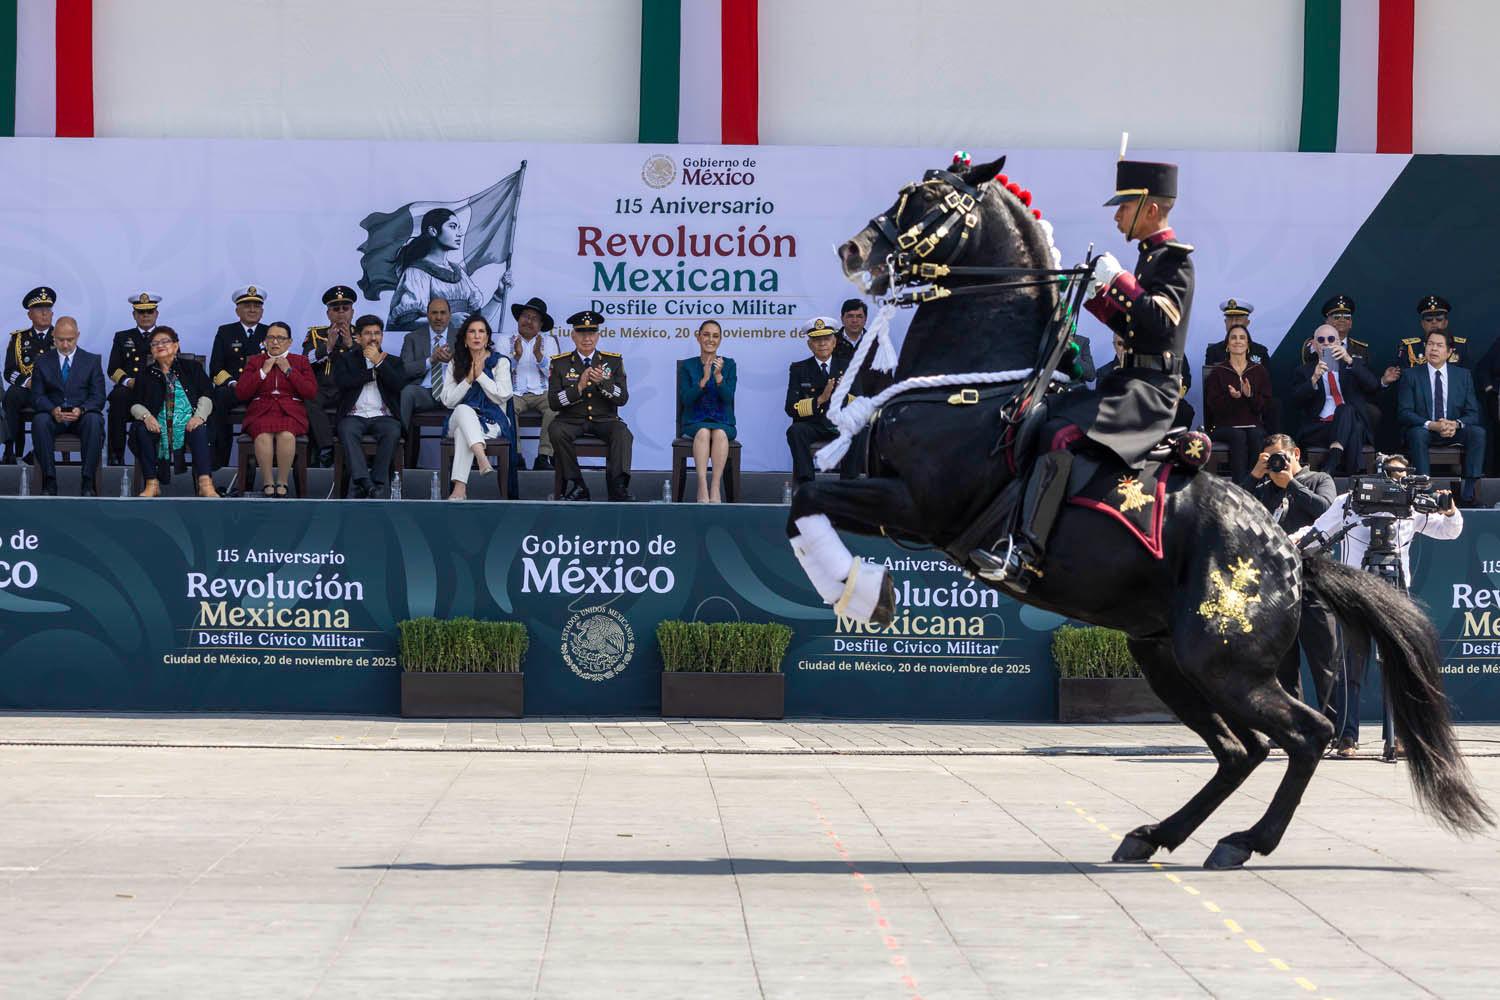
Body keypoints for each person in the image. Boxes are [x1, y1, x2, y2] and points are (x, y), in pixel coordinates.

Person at [975, 158, 1194, 590]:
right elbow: (1131, 326)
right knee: (1035, 416)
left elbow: (1159, 327)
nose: (1116, 216)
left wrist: (1122, 284)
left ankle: (1028, 555)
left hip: (1149, 393)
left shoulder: (1174, 263)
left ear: (1150, 208)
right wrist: (1101, 292)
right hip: (1126, 384)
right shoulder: (1152, 260)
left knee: (1061, 436)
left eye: (1124, 207)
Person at [1299, 454, 1462, 757]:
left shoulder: (1411, 504)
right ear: (1375, 474)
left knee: (1396, 667)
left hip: (1395, 592)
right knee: (1351, 666)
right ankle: (1347, 738)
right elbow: (1318, 532)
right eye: (1389, 474)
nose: (1394, 481)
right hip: (1355, 592)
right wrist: (1292, 545)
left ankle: (1398, 737)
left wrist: (1450, 510)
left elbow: (1449, 531)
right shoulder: (1350, 502)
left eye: (1400, 475)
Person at [1242, 434, 1338, 701]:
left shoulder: (1319, 480)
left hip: (1314, 577)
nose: (1276, 464)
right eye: (1269, 458)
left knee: (1325, 659)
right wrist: (1255, 474)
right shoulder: (1263, 489)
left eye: (1280, 457)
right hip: (1275, 582)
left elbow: (1326, 512)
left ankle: (1340, 732)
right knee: (1282, 664)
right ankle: (1293, 730)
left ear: (1295, 453)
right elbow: (1234, 508)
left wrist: (1291, 484)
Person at [548, 310, 634, 502]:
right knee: (555, 429)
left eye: (591, 333)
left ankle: (618, 487)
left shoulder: (612, 361)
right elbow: (553, 403)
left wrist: (604, 383)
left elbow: (622, 398)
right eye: (581, 333)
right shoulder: (560, 363)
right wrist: (577, 387)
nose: (587, 338)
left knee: (623, 433)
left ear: (598, 335)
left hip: (604, 419)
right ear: (573, 335)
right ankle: (578, 484)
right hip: (572, 420)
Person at [1397, 328, 1485, 505]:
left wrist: (1456, 424)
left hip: (1453, 430)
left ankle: (1468, 491)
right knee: (1417, 433)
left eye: (1439, 345)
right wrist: (1431, 425)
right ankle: (1425, 491)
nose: (1433, 349)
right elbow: (1404, 413)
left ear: (1450, 351)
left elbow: (1473, 413)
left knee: (1478, 433)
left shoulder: (1463, 375)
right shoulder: (1411, 375)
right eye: (1430, 344)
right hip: (1426, 430)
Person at [386, 208, 508, 334]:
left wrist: (498, 295)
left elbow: (477, 324)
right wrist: (446, 321)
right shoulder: (416, 273)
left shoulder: (458, 272)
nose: (459, 233)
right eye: (453, 226)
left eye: (458, 227)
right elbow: (405, 325)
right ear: (433, 231)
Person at [129, 326, 216, 498]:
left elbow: (208, 394)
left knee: (200, 429)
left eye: (165, 342)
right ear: (151, 350)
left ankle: (205, 484)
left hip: (189, 422)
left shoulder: (192, 368)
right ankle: (151, 484)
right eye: (154, 344)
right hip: (158, 424)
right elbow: (135, 404)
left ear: (176, 346)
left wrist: (198, 416)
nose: (159, 346)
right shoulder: (145, 374)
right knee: (141, 430)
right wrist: (147, 417)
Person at [234, 321, 318, 497]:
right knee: (263, 434)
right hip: (261, 410)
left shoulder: (300, 361)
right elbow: (241, 393)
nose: (275, 342)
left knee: (286, 435)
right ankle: (267, 482)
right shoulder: (256, 361)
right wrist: (262, 372)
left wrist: (289, 371)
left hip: (291, 411)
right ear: (264, 341)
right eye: (271, 338)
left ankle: (282, 481)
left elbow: (310, 392)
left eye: (280, 338)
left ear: (289, 342)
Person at [438, 315, 514, 501]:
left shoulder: (500, 362)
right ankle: (481, 457)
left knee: (463, 432)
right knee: (464, 410)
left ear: (487, 338)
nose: (477, 336)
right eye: (472, 332)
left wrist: (481, 376)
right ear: (465, 338)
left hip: (492, 423)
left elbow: (503, 395)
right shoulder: (455, 363)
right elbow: (447, 401)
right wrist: (468, 380)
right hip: (457, 420)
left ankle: (459, 489)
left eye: (481, 332)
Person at [30, 317, 105, 496]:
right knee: (39, 421)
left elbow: (99, 397)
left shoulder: (91, 361)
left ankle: (88, 482)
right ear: (53, 337)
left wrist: (82, 410)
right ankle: (49, 481)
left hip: (81, 417)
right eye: (60, 340)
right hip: (53, 416)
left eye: (69, 340)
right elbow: (37, 396)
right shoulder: (42, 361)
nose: (65, 345)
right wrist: (51, 410)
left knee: (94, 420)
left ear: (77, 336)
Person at [334, 315, 406, 499]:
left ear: (382, 336)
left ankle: (378, 483)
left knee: (392, 430)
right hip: (354, 415)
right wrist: (369, 373)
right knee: (346, 430)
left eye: (377, 333)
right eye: (367, 333)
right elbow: (342, 383)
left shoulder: (393, 361)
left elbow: (398, 384)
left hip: (383, 416)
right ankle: (364, 482)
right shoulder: (346, 359)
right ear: (358, 337)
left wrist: (379, 363)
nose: (373, 338)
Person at [1292, 323, 1378, 476]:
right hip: (1320, 428)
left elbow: (1373, 386)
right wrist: (1314, 379)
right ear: (1314, 344)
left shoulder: (1352, 366)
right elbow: (1296, 401)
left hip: (1348, 421)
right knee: (1354, 427)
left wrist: (1349, 360)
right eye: (1321, 339)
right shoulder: (1304, 370)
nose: (1326, 343)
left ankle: (1331, 464)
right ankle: (1351, 479)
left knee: (1346, 410)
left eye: (1331, 339)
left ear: (1339, 343)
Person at [208, 285, 270, 468]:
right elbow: (216, 368)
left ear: (262, 310)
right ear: (237, 310)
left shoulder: (271, 332)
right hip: (233, 389)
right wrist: (233, 383)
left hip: (260, 388)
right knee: (218, 398)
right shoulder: (225, 332)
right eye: (247, 306)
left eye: (256, 306)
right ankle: (219, 464)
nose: (252, 310)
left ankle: (264, 467)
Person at [677, 319, 737, 503]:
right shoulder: (687, 366)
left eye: (715, 336)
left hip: (723, 423)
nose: (710, 339)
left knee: (719, 434)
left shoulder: (729, 364)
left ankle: (715, 486)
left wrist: (718, 377)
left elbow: (728, 398)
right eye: (706, 334)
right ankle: (702, 485)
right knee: (703, 432)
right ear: (698, 337)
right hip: (694, 422)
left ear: (720, 340)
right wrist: (703, 380)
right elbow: (686, 400)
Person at [785, 318, 848, 486]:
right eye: (817, 340)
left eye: (826, 339)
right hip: (814, 424)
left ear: (834, 342)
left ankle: (850, 484)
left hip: (841, 423)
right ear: (810, 345)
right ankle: (807, 484)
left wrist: (841, 394)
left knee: (860, 431)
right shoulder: (799, 369)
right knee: (795, 431)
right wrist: (820, 399)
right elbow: (791, 408)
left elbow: (860, 399)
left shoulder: (848, 366)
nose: (822, 344)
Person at [1203, 325, 1271, 482]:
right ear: (1227, 345)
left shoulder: (1259, 371)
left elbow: (1266, 406)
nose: (1237, 341)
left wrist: (1249, 395)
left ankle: (1256, 486)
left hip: (1254, 426)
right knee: (1238, 435)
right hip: (1225, 427)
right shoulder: (1218, 371)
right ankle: (1240, 487)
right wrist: (1231, 398)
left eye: (1242, 338)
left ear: (1248, 345)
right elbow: (1213, 408)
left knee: (1255, 435)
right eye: (1233, 337)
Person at [301, 285, 358, 467]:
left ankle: (346, 455)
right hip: (323, 388)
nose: (341, 313)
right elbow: (305, 361)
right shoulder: (316, 334)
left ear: (352, 311)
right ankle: (327, 448)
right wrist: (327, 347)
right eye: (336, 309)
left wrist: (350, 344)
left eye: (345, 309)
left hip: (349, 389)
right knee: (309, 397)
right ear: (328, 314)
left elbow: (368, 363)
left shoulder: (362, 333)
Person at [506, 295, 563, 470]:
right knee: (507, 405)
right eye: (526, 316)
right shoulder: (504, 340)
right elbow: (500, 373)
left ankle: (544, 456)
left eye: (535, 319)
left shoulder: (550, 342)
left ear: (540, 325)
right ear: (519, 319)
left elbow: (555, 375)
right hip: (515, 393)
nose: (529, 321)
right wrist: (515, 357)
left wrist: (539, 356)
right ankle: (516, 456)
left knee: (556, 405)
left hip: (542, 392)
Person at [3, 285, 57, 463]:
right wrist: (27, 382)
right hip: (28, 390)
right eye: (39, 309)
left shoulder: (62, 336)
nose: (44, 313)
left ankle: (37, 452)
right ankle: (11, 449)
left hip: (53, 390)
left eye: (48, 309)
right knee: (11, 395)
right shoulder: (19, 339)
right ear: (30, 314)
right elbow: (9, 371)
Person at [397, 297, 455, 464]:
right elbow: (405, 370)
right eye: (434, 313)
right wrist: (431, 360)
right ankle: (400, 450)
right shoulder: (413, 338)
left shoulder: (461, 336)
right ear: (427, 315)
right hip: (424, 392)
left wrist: (453, 362)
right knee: (407, 392)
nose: (439, 317)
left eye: (443, 313)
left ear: (450, 315)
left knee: (470, 397)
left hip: (452, 393)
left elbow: (470, 369)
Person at [106, 293, 160, 466]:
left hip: (155, 391)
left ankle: (161, 458)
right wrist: (128, 381)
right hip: (130, 389)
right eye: (141, 312)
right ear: (134, 315)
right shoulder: (122, 337)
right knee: (118, 397)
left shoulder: (166, 337)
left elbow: (173, 368)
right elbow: (113, 369)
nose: (145, 316)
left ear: (156, 314)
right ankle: (116, 454)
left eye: (149, 312)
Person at [1399, 295, 1466, 369]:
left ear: (1446, 322)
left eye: (1439, 319)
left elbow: (1467, 377)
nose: (1434, 322)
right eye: (1429, 319)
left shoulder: (1461, 346)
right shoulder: (1410, 347)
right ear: (1422, 324)